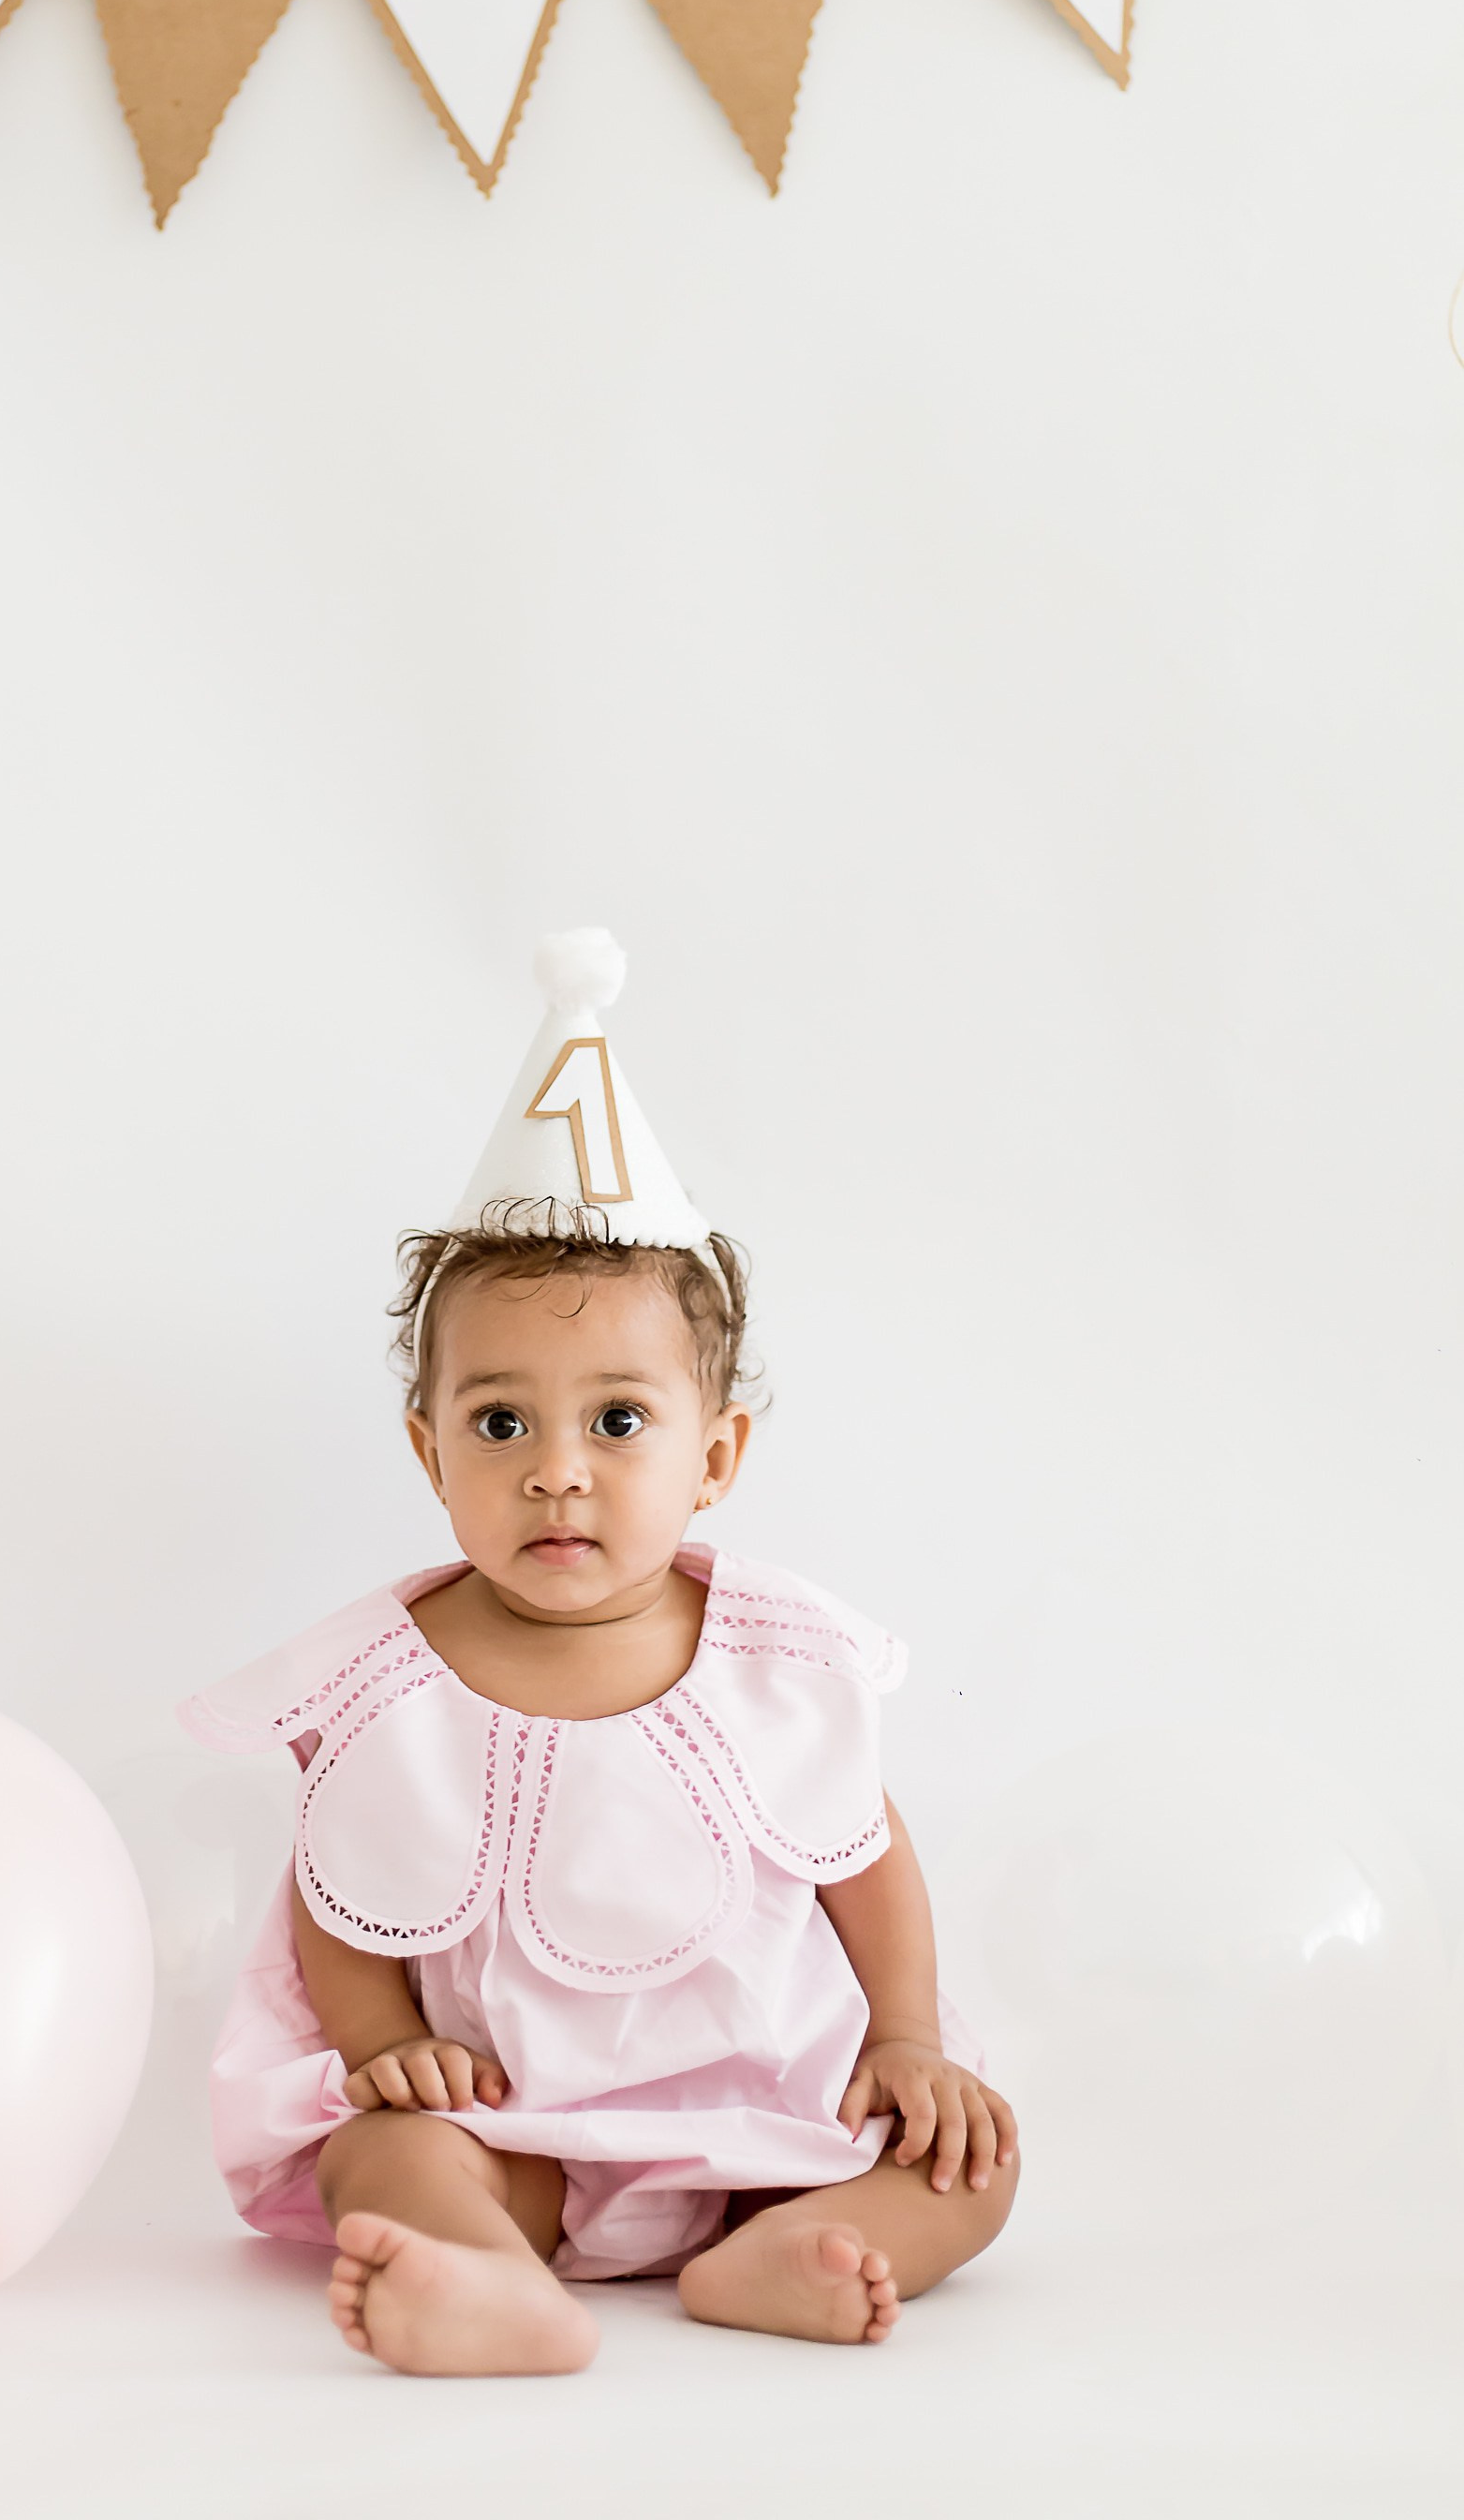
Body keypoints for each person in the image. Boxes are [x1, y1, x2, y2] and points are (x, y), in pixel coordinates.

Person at [180, 930, 1017, 2376]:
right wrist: (386, 2042)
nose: (556, 1471)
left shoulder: (774, 1654)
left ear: (717, 1455)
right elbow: (341, 1881)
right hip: (512, 2130)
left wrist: (909, 2036)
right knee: (380, 2154)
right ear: (429, 1448)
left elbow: (865, 1852)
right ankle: (484, 2273)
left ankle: (784, 2251)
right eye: (502, 1423)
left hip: (769, 2124)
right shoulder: (389, 1676)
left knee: (974, 2165)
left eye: (617, 1422)